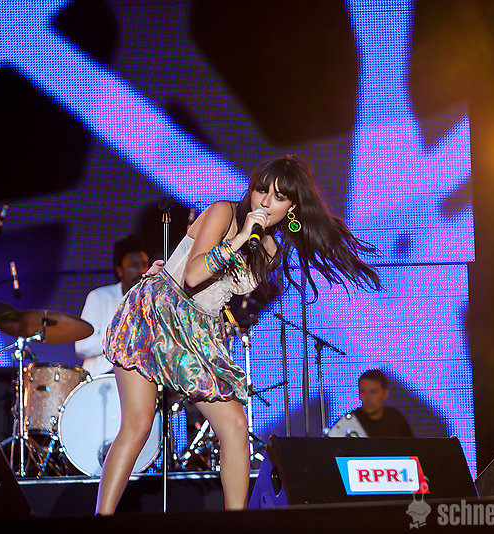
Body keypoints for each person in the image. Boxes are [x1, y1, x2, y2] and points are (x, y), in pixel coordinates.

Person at [95, 155, 382, 514]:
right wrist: (241, 237)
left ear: (292, 208)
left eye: (278, 197)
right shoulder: (224, 213)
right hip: (157, 313)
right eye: (262, 190)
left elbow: (222, 293)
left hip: (198, 331)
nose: (265, 202)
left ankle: (238, 523)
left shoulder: (270, 250)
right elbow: (192, 276)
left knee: (234, 425)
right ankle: (101, 519)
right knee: (137, 426)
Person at [74, 235, 150, 377]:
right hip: (101, 381)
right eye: (134, 265)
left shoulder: (152, 302)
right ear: (120, 270)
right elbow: (82, 346)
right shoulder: (100, 296)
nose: (141, 271)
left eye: (145, 264)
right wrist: (122, 338)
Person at [353, 369, 413, 438]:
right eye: (363, 391)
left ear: (385, 394)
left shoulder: (396, 420)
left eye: (373, 392)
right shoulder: (351, 421)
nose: (368, 397)